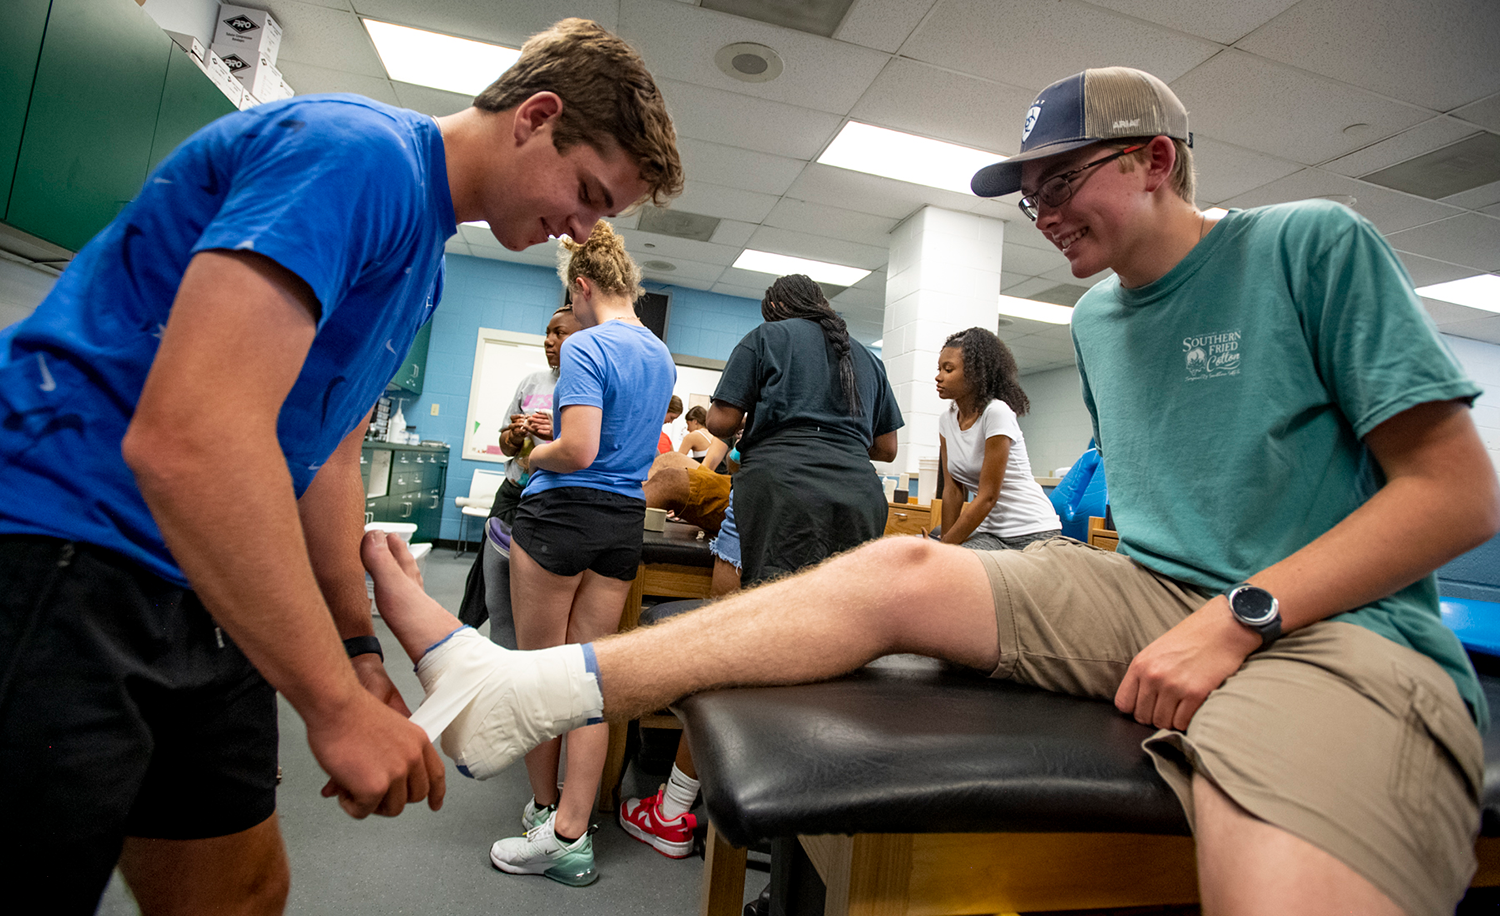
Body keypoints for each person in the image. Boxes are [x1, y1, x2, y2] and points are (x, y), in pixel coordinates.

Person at [364, 66, 1499, 916]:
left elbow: (1455, 495)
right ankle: (526, 687)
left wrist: (1241, 617)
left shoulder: (1311, 246)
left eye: (1064, 181)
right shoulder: (1102, 319)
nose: (1044, 211)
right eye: (1029, 194)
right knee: (901, 569)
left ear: (1154, 159)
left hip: (1332, 632)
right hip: (1152, 589)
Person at [0, 16, 681, 915]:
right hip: (62, 550)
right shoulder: (358, 157)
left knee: (241, 891)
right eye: (588, 192)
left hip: (199, 578)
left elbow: (326, 454)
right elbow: (190, 438)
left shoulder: (422, 262)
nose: (582, 230)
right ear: (535, 115)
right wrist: (329, 703)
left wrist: (357, 650)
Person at [488, 220, 675, 886]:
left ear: (585, 285)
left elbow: (578, 450)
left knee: (539, 675)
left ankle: (546, 819)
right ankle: (574, 832)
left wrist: (529, 450)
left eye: (571, 301)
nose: (570, 313)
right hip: (620, 525)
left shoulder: (588, 345)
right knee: (587, 681)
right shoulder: (660, 354)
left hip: (560, 516)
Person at [704, 274, 903, 585]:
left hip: (782, 492)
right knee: (843, 604)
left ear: (775, 306)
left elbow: (720, 422)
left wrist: (755, 421)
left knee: (773, 600)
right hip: (859, 496)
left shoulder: (765, 337)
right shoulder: (869, 358)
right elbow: (887, 449)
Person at [456, 304, 582, 632]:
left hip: (553, 497)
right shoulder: (532, 381)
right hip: (514, 489)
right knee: (487, 571)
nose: (549, 341)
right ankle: (465, 633)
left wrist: (557, 432)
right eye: (547, 334)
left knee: (532, 576)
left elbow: (586, 447)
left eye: (560, 333)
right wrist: (514, 434)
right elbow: (505, 444)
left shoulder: (586, 386)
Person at [934, 328, 1061, 549]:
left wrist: (946, 547)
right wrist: (944, 543)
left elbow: (988, 497)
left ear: (976, 374)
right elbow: (953, 490)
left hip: (1032, 530)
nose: (939, 376)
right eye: (939, 369)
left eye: (948, 369)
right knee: (942, 570)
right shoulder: (947, 420)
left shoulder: (996, 413)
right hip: (991, 532)